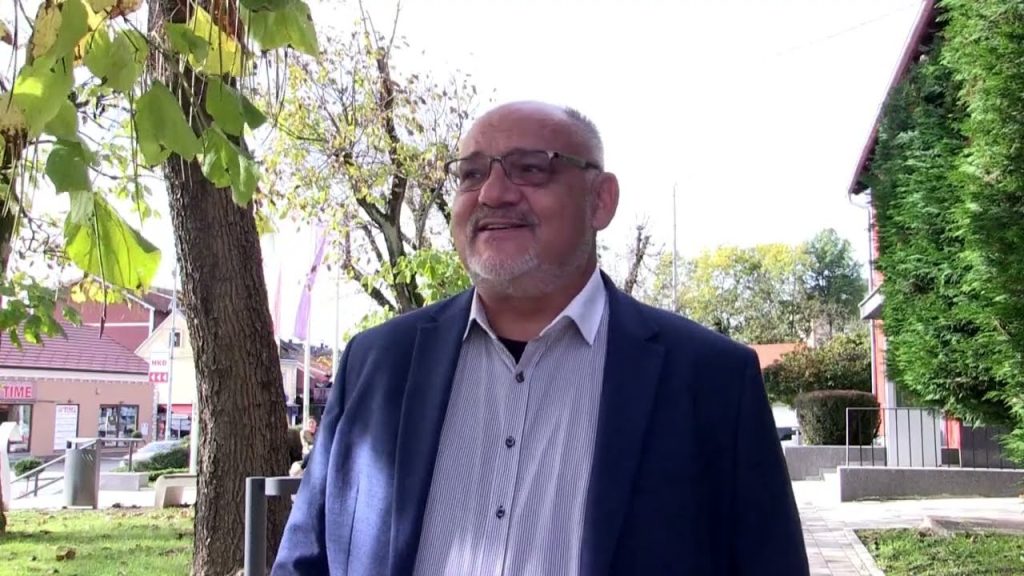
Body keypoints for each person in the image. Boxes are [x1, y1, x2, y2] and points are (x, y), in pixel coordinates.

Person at [272, 101, 808, 576]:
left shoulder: (713, 381)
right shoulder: (375, 364)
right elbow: (306, 561)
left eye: (531, 168)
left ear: (600, 200)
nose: (493, 193)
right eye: (471, 173)